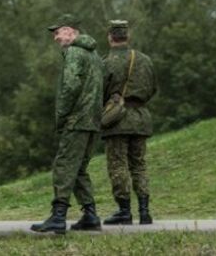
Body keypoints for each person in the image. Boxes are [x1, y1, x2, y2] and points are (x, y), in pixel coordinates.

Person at [31, 14, 103, 234]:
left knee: (63, 165)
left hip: (77, 120)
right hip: (93, 121)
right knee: (79, 168)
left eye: (58, 32)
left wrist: (61, 116)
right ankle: (90, 215)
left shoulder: (73, 52)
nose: (55, 38)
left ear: (71, 31)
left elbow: (70, 86)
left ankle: (58, 216)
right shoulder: (95, 55)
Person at [102, 20, 158, 225]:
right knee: (139, 165)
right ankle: (144, 211)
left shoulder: (106, 62)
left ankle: (124, 211)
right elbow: (153, 88)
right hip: (141, 118)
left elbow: (100, 91)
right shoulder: (144, 60)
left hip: (116, 120)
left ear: (110, 37)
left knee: (118, 165)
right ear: (128, 36)